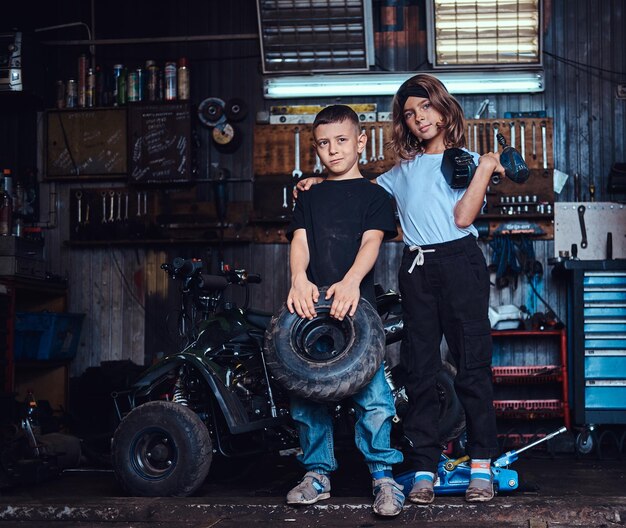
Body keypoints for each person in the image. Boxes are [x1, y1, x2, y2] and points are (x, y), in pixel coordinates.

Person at [297, 73, 504, 503]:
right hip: (417, 267)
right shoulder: (399, 172)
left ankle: (482, 465)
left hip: (460, 262)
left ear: (444, 109)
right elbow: (356, 190)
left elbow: (464, 217)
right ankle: (424, 467)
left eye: (425, 108)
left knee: (472, 366)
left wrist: (486, 166)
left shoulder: (466, 161)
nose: (418, 118)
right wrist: (319, 183)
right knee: (420, 371)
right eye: (409, 114)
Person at [284, 104, 405, 517]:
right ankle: (317, 475)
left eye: (341, 140)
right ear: (315, 147)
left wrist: (352, 281)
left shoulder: (375, 196)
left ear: (360, 141)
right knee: (307, 396)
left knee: (374, 399)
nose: (332, 150)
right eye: (323, 143)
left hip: (358, 310)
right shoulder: (309, 194)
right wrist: (299, 279)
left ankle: (383, 477)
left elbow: (371, 243)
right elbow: (299, 241)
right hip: (309, 312)